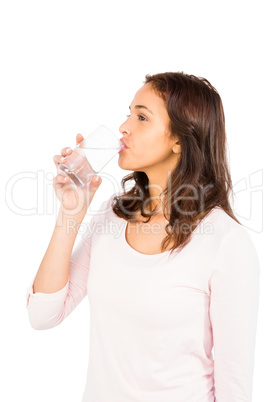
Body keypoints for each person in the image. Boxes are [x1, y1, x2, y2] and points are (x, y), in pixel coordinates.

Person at [26, 72, 260, 401]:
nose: (124, 127)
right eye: (128, 113)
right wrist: (70, 213)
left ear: (179, 139)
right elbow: (42, 315)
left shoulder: (225, 242)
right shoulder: (112, 216)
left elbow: (235, 389)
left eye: (142, 117)